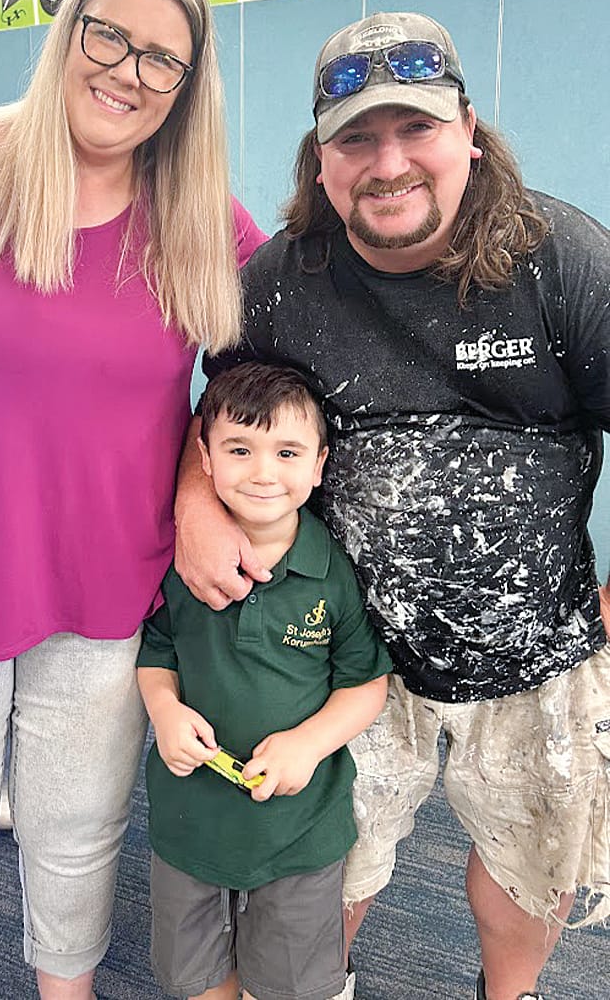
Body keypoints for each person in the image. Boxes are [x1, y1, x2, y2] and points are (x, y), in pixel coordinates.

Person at [174, 12, 610, 1000]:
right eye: (357, 137)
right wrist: (195, 502)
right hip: (346, 646)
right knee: (327, 857)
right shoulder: (284, 279)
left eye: (415, 128)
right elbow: (221, 405)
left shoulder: (564, 258)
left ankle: (514, 991)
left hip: (537, 648)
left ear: (466, 128)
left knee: (527, 860)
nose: (389, 161)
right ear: (321, 160)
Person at [0, 0, 266, 1000]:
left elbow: (246, 399)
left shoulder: (202, 223)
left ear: (187, 89)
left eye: (161, 60)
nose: (127, 72)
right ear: (69, 32)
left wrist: (193, 498)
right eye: (110, 36)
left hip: (104, 581)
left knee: (80, 823)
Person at [137, 363, 391, 1000]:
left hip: (299, 829)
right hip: (189, 817)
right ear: (206, 456)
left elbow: (364, 685)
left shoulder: (332, 572)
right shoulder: (184, 562)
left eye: (287, 452)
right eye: (239, 450)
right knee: (192, 973)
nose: (262, 472)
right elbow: (157, 651)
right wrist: (164, 710)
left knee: (286, 983)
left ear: (318, 465)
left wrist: (307, 744)